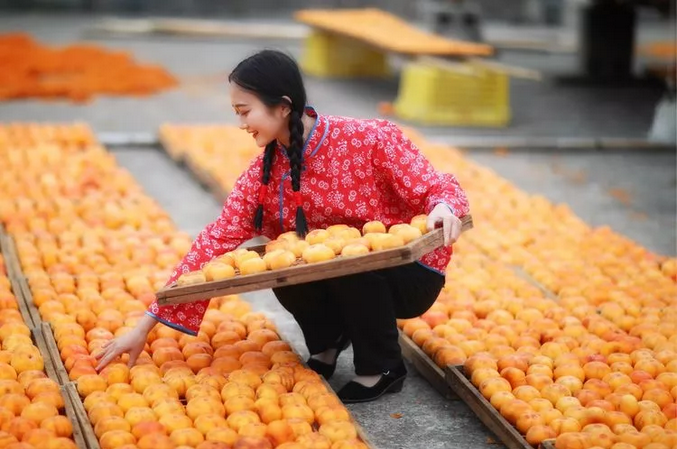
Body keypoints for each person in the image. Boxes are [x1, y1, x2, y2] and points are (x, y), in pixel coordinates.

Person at [95, 49, 470, 403]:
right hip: (344, 277)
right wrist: (144, 326)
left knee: (353, 262)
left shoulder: (368, 139)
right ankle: (327, 341)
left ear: (283, 106)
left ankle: (383, 367)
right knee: (281, 262)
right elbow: (214, 241)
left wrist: (443, 208)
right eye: (236, 113)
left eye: (245, 112)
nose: (240, 124)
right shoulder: (263, 175)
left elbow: (436, 185)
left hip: (407, 274)